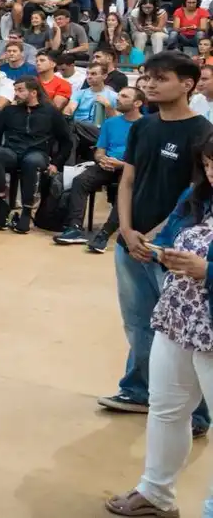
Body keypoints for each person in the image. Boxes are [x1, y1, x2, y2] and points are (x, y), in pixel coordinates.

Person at [100, 52, 213, 425]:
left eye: (160, 78)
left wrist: (152, 238)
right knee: (138, 324)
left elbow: (193, 197)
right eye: (147, 77)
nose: (149, 84)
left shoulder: (203, 133)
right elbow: (128, 181)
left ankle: (195, 414)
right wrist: (127, 231)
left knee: (179, 333)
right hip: (130, 243)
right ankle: (137, 391)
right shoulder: (142, 128)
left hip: (172, 250)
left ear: (187, 84)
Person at [106, 136, 213, 518]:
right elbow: (173, 233)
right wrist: (162, 252)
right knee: (167, 408)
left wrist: (208, 270)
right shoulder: (197, 196)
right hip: (180, 318)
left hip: (210, 331)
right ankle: (155, 491)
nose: (212, 172)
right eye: (209, 163)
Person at [55, 85, 144, 250]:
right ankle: (74, 228)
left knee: (126, 189)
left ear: (137, 103)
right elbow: (100, 150)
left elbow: (146, 159)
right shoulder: (110, 123)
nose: (118, 99)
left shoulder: (146, 125)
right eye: (119, 95)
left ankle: (104, 233)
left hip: (131, 167)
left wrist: (122, 164)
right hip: (107, 164)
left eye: (124, 96)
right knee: (80, 180)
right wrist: (102, 159)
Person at [0, 77, 74, 232]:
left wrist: (56, 163)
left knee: (31, 162)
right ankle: (2, 203)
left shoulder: (50, 112)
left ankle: (26, 210)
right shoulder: (9, 110)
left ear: (33, 92)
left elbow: (66, 141)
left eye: (20, 90)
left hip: (37, 152)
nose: (16, 94)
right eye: (15, 90)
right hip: (12, 150)